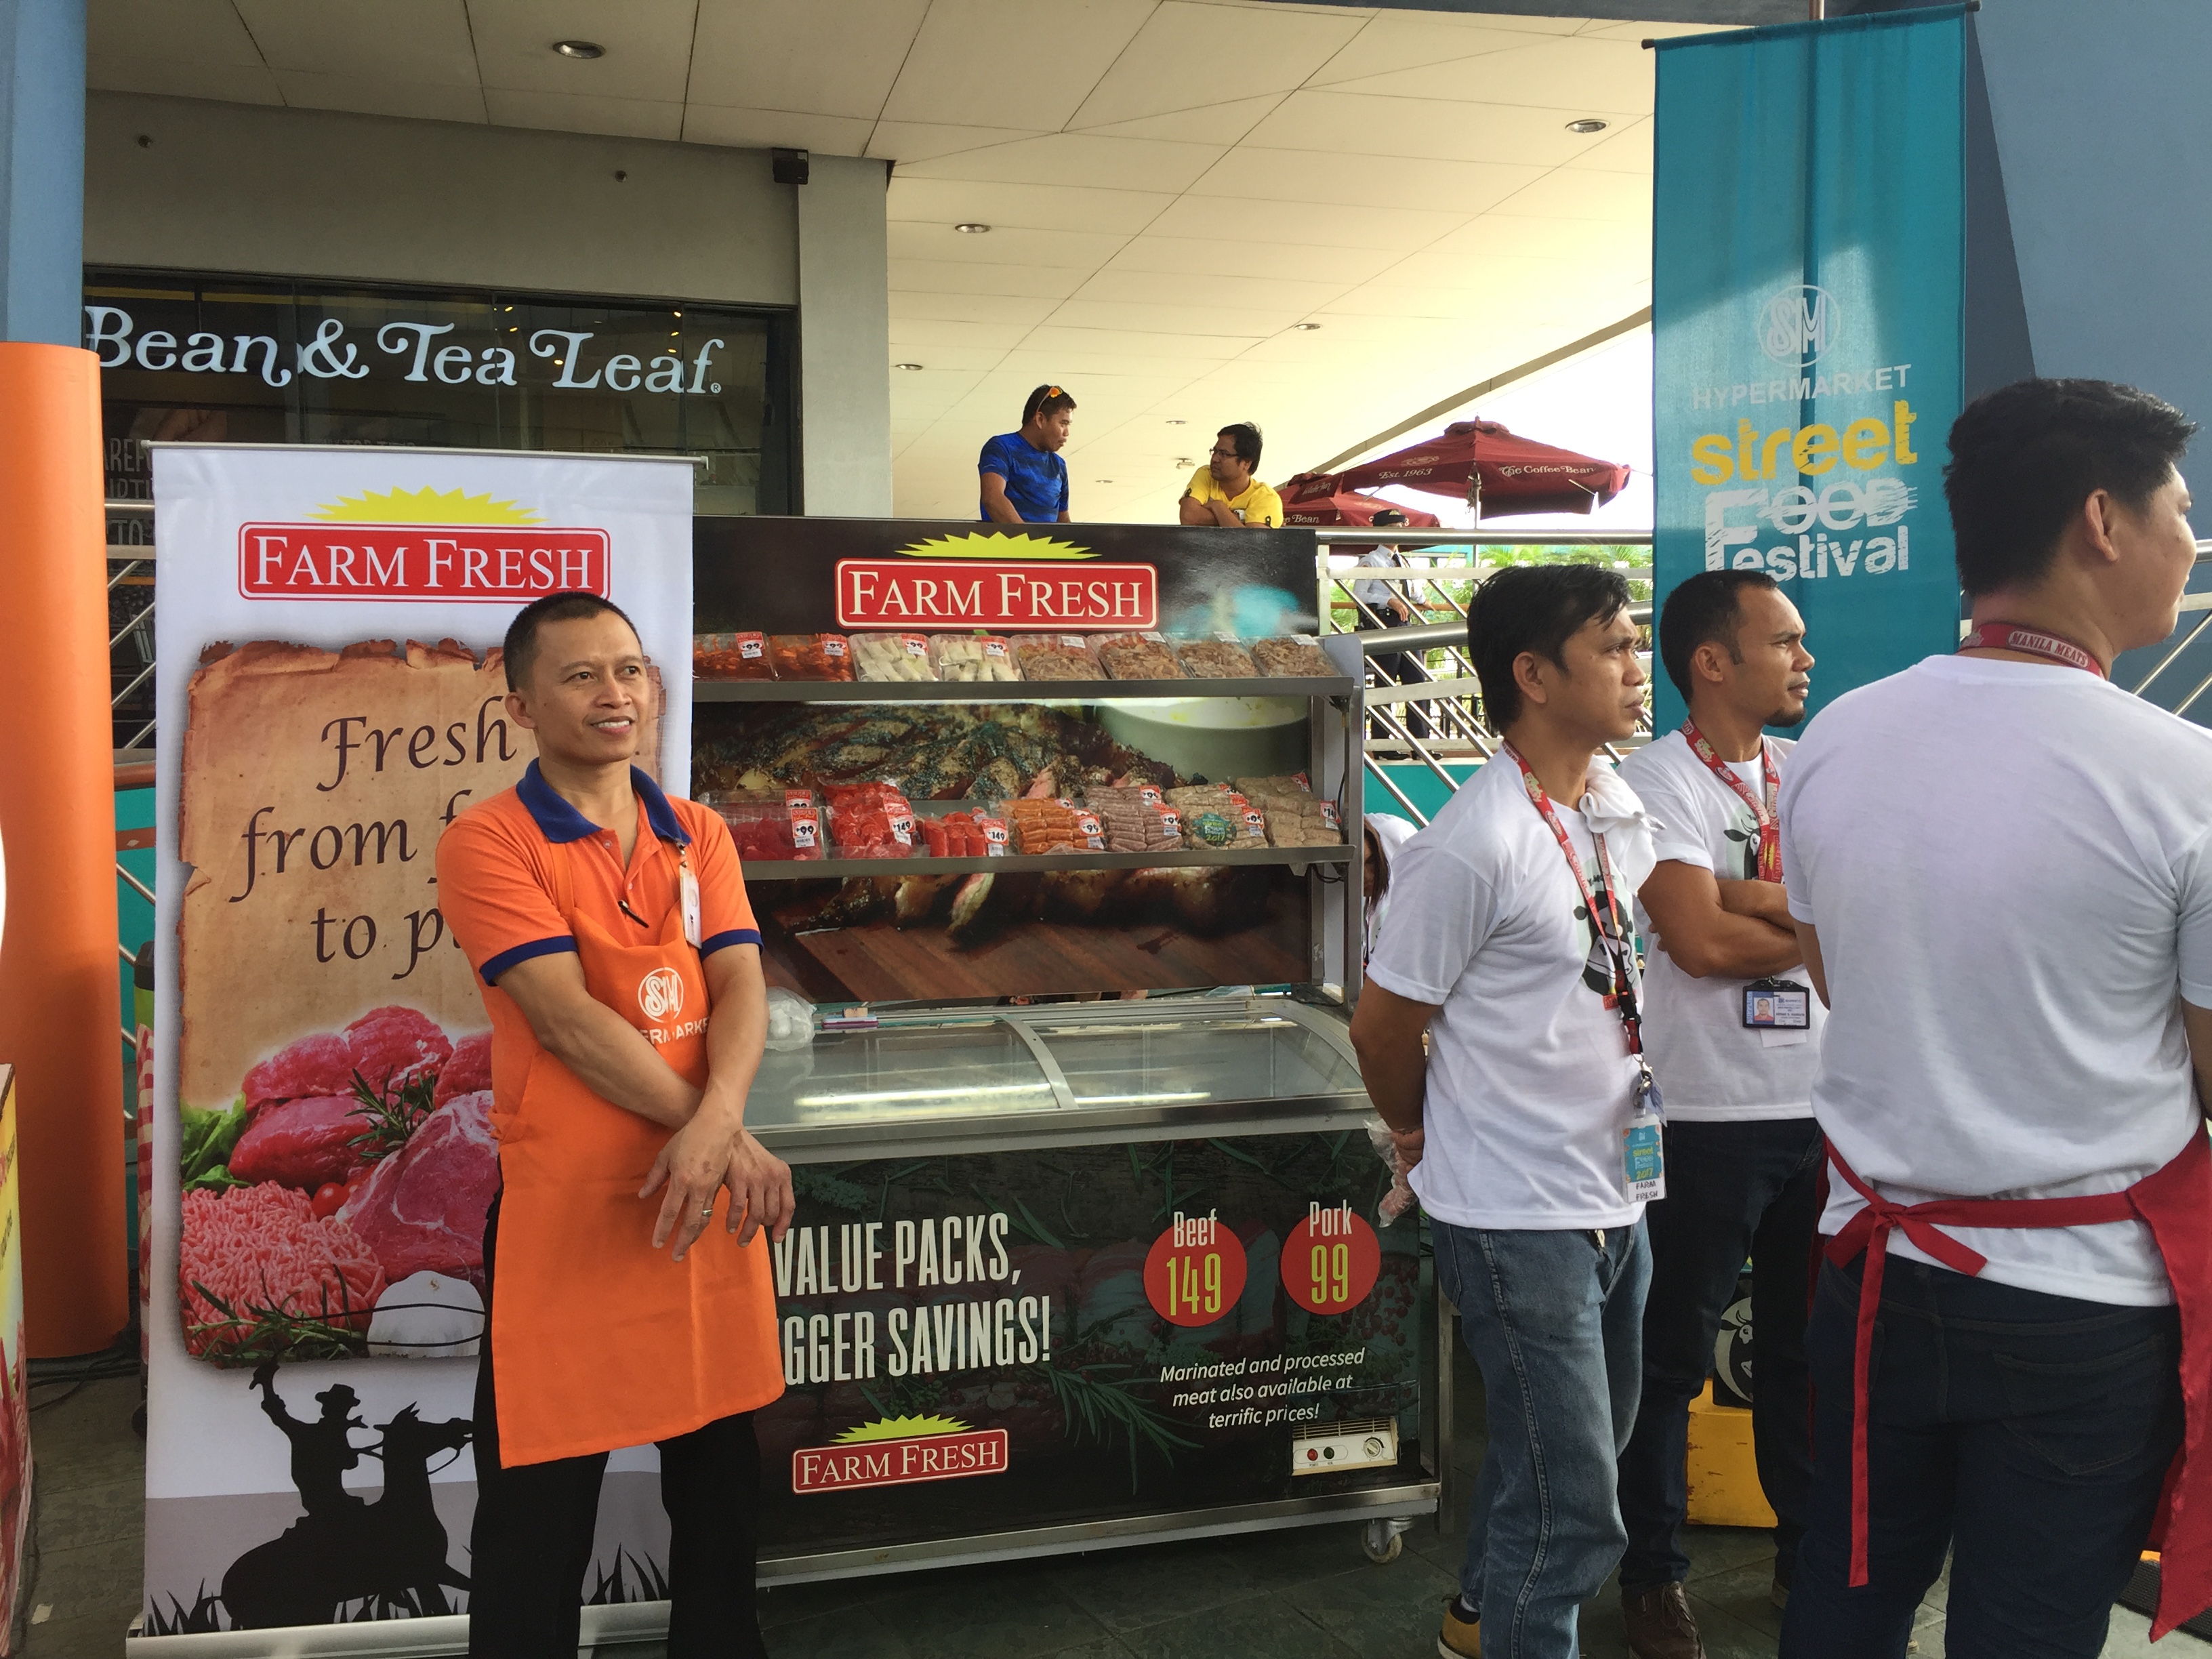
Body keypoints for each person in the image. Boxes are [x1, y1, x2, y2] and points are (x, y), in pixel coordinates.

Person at [1776, 378, 2212, 1658]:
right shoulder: (2177, 774)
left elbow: (1832, 974)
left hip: (1868, 1273)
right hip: (2077, 1306)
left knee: (1840, 1606)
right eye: (2178, 509)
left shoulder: (1839, 737)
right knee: (2024, 1634)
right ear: (2100, 520)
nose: (2189, 541)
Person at [436, 592, 795, 1658]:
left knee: (722, 1505)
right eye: (582, 675)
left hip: (705, 1208)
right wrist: (721, 1133)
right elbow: (567, 1022)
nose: (616, 693)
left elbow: (739, 987)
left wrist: (713, 1133)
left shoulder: (700, 831)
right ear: (521, 703)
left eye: (630, 670)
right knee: (537, 1519)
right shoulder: (488, 842)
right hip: (573, 1214)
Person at [1351, 564, 1656, 1659]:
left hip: (1614, 1191)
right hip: (1513, 1210)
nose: (1637, 666)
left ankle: (1474, 1619)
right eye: (1614, 645)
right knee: (1575, 1499)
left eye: (1634, 641)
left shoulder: (1608, 806)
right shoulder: (1469, 843)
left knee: (1563, 1458)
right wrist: (1415, 1133)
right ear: (1531, 674)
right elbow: (1381, 1025)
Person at [1612, 569, 1822, 1658]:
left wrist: (1754, 898)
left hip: (1827, 1113)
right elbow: (1697, 943)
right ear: (1712, 661)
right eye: (1784, 641)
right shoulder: (1652, 783)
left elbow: (1869, 906)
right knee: (1672, 1357)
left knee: (1806, 1354)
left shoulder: (1807, 772)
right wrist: (1809, 915)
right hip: (1704, 1117)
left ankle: (1809, 1559)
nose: (1806, 658)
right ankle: (1650, 1576)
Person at [1351, 508, 1431, 739]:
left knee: (1417, 681)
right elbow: (1358, 594)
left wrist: (1425, 600)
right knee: (1386, 683)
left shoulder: (1403, 561)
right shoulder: (1371, 560)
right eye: (1391, 528)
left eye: (1400, 527)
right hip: (1383, 622)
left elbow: (1414, 591)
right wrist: (1387, 599)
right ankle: (1382, 743)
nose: (1398, 532)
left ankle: (1421, 742)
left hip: (1405, 624)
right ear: (1379, 532)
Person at [980, 385, 1074, 523]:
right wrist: (1028, 541)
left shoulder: (1059, 465)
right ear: (1040, 419)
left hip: (1043, 545)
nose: (1067, 433)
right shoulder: (1001, 447)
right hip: (1007, 544)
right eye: (1063, 423)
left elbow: (1063, 520)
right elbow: (992, 498)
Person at [1178, 422, 1283, 527]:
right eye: (1215, 451)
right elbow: (1189, 517)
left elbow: (1250, 543)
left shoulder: (1265, 497)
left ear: (1246, 463)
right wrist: (1240, 517)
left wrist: (1219, 507)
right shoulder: (1206, 475)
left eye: (1224, 454)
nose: (1215, 459)